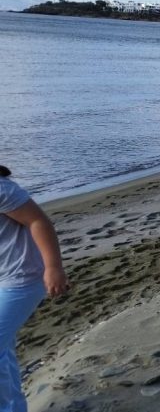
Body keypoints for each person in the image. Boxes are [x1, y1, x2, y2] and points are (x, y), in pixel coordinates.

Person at [0, 165, 69, 411]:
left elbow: (38, 221)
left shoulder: (1, 188)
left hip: (24, 277)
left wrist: (54, 267)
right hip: (3, 278)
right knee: (4, 350)